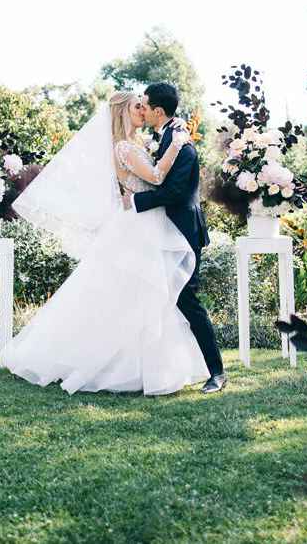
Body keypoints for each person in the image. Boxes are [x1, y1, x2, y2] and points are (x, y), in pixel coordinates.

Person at [0, 91, 211, 396]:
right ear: (123, 112)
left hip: (144, 224)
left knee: (140, 297)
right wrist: (177, 146)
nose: (143, 111)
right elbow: (154, 175)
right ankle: (118, 366)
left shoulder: (133, 144)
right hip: (137, 227)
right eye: (137, 107)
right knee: (134, 295)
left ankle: (140, 367)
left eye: (144, 106)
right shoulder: (124, 147)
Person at [127, 83, 226, 394]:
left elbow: (176, 192)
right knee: (162, 297)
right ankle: (165, 368)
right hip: (166, 230)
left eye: (145, 105)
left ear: (158, 111)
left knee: (187, 299)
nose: (141, 109)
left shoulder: (180, 141)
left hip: (184, 230)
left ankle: (217, 373)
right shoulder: (169, 135)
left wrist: (135, 203)